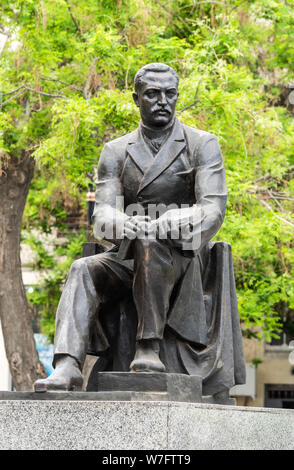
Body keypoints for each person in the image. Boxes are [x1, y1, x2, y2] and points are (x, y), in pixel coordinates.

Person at [34, 63, 245, 399]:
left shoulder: (201, 144)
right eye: (152, 94)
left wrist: (169, 223)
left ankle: (148, 348)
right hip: (129, 255)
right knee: (83, 269)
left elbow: (213, 209)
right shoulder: (116, 151)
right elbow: (102, 209)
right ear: (137, 98)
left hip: (183, 258)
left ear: (177, 96)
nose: (162, 101)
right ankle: (68, 364)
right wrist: (124, 223)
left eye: (170, 94)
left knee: (151, 239)